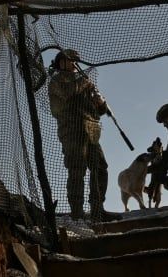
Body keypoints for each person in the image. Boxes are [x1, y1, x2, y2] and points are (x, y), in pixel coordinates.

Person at [48, 49, 119, 222]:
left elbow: (98, 111)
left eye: (75, 61)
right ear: (61, 62)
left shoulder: (82, 81)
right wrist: (84, 84)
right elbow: (67, 93)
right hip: (72, 131)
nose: (74, 64)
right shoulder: (57, 80)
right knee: (77, 169)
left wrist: (100, 103)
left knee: (100, 168)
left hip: (91, 131)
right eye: (71, 61)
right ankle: (77, 215)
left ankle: (97, 210)